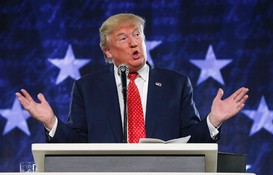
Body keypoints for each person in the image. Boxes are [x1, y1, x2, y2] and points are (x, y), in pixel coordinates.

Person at [16, 13, 248, 143]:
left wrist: (213, 121)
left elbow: (190, 141)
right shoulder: (87, 88)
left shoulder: (176, 84)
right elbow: (77, 143)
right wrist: (51, 123)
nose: (134, 42)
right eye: (123, 38)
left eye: (137, 34)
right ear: (108, 51)